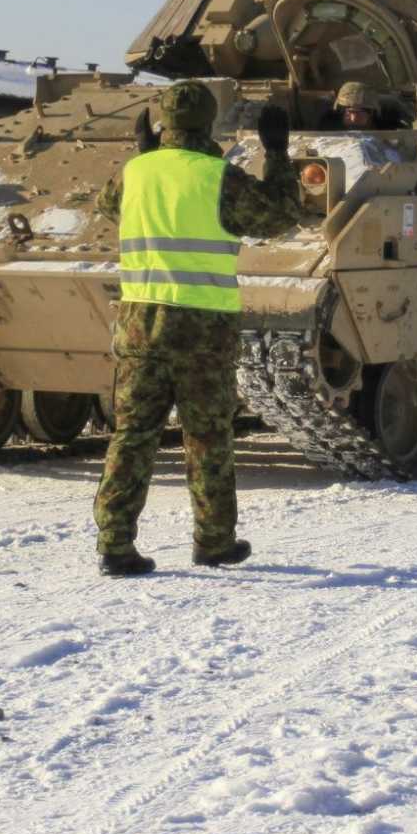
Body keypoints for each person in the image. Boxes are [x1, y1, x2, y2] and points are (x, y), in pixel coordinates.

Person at [92, 81, 302, 576]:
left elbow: (109, 207)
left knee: (132, 436)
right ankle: (214, 542)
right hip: (202, 333)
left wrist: (146, 158)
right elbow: (279, 215)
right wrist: (277, 155)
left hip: (140, 325)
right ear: (211, 123)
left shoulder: (134, 172)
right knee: (207, 437)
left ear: (161, 120)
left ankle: (114, 546)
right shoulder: (217, 177)